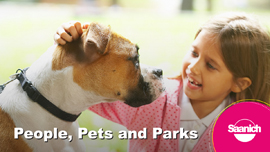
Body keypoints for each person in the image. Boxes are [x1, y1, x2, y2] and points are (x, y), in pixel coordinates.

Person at [54, 12, 270, 152]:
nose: (193, 67)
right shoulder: (150, 98)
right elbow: (82, 89)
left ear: (239, 84)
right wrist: (75, 46)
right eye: (194, 53)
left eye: (210, 65)